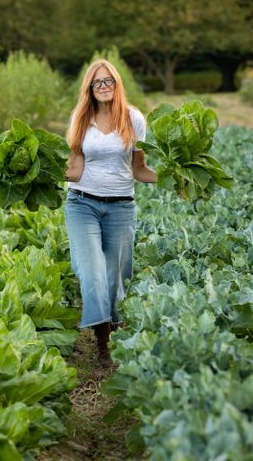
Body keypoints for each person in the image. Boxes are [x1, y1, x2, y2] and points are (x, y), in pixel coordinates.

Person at [64, 59, 157, 367]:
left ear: (117, 85)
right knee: (93, 273)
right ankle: (103, 345)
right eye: (97, 83)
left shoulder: (133, 118)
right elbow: (75, 170)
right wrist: (39, 172)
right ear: (89, 88)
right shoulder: (80, 117)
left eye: (108, 81)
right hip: (82, 203)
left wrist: (174, 176)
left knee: (116, 277)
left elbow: (139, 169)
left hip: (120, 206)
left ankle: (114, 331)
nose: (103, 87)